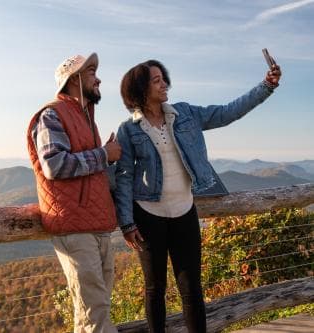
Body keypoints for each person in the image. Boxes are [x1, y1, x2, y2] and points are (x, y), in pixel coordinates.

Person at [114, 59, 281, 332]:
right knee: (155, 288)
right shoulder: (129, 130)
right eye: (156, 80)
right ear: (140, 89)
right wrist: (127, 223)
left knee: (191, 288)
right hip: (148, 216)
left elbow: (228, 112)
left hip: (184, 212)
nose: (164, 83)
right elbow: (124, 178)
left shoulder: (186, 114)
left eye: (163, 78)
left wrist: (266, 86)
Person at [26, 53, 122, 333]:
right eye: (92, 72)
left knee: (93, 310)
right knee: (96, 312)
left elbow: (88, 168)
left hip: (96, 224)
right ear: (74, 79)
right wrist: (104, 154)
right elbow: (54, 165)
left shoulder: (86, 119)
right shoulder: (51, 114)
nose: (99, 78)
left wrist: (107, 158)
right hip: (74, 226)